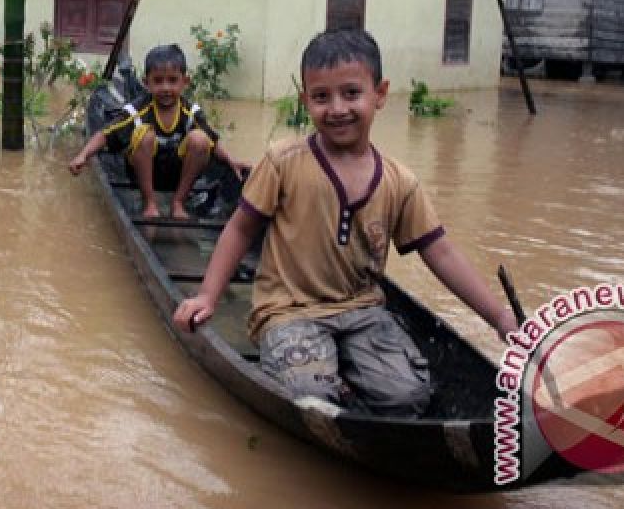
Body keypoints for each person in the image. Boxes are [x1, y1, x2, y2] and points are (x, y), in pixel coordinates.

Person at [173, 29, 517, 416]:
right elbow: (240, 229)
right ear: (306, 101)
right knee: (310, 397)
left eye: (351, 94)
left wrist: (500, 317)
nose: (337, 109)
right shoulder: (283, 162)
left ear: (380, 94)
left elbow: (440, 253)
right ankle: (332, 382)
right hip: (289, 311)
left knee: (409, 397)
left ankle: (349, 379)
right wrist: (207, 296)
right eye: (321, 97)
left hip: (363, 312)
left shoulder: (398, 181)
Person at [69, 43, 247, 219]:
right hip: (142, 174)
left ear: (184, 82)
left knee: (200, 139)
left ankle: (178, 202)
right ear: (146, 83)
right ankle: (150, 204)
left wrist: (232, 161)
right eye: (158, 81)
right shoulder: (137, 110)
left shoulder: (190, 112)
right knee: (145, 135)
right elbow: (105, 134)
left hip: (177, 176)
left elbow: (212, 142)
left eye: (172, 80)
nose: (166, 88)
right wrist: (83, 155)